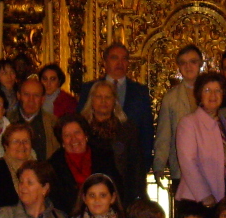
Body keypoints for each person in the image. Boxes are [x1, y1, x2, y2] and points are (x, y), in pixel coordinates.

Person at [79, 42, 154, 175]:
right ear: (105, 62)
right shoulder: (88, 89)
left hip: (129, 166)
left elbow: (146, 132)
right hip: (94, 165)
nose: (120, 63)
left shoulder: (140, 92)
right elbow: (82, 124)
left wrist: (144, 165)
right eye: (114, 58)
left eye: (124, 58)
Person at [80, 78, 145, 206]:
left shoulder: (126, 128)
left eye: (108, 97)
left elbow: (136, 165)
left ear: (115, 101)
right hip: (87, 190)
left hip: (120, 192)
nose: (103, 101)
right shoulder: (81, 127)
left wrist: (138, 195)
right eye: (99, 97)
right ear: (91, 100)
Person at [175, 71, 226, 209]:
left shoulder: (225, 123)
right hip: (197, 199)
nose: (213, 95)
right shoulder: (189, 123)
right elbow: (188, 163)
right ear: (199, 95)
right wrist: (205, 196)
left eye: (217, 90)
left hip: (223, 192)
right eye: (207, 90)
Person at [48, 115, 123, 218]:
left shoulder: (104, 157)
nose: (73, 139)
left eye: (77, 132)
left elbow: (116, 188)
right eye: (67, 135)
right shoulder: (53, 165)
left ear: (85, 135)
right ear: (62, 142)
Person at [153, 44, 203, 191]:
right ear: (179, 67)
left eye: (193, 61)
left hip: (208, 166)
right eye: (183, 63)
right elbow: (164, 135)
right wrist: (159, 165)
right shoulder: (171, 98)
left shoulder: (213, 93)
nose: (188, 66)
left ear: (200, 63)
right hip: (181, 168)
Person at [10, 77, 58, 161]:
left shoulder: (54, 124)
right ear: (18, 96)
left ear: (43, 99)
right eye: (26, 94)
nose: (31, 100)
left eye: (36, 95)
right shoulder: (7, 121)